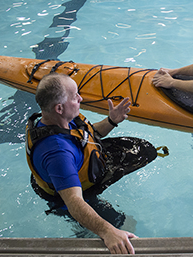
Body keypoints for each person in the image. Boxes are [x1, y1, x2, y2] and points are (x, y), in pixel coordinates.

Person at [26, 72, 137, 254]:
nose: (80, 98)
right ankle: (85, 235)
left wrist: (111, 121)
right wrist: (108, 231)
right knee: (126, 227)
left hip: (68, 173)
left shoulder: (59, 120)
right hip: (68, 194)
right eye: (74, 96)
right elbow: (74, 201)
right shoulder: (57, 153)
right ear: (59, 108)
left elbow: (88, 136)